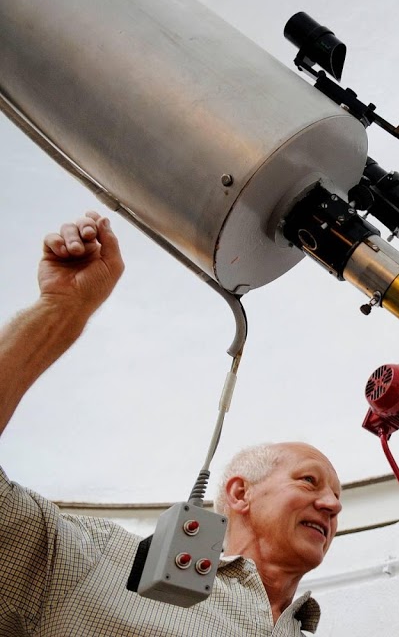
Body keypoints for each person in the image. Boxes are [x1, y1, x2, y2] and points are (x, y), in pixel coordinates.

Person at [0, 212, 342, 636]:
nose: (333, 504)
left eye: (335, 494)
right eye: (310, 481)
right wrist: (59, 311)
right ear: (240, 492)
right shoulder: (102, 563)